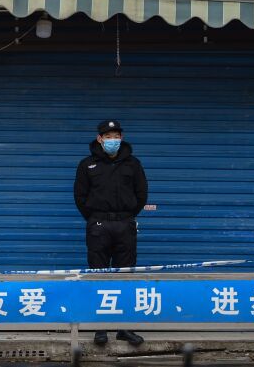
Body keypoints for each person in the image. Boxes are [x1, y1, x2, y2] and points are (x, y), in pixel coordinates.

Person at [74, 120, 148, 347]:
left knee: (125, 277)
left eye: (116, 135)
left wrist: (126, 216)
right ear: (99, 139)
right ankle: (100, 328)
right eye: (108, 136)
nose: (112, 140)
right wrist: (95, 218)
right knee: (99, 275)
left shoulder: (133, 164)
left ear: (121, 138)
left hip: (125, 224)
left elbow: (141, 194)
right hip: (98, 226)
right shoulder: (87, 165)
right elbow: (80, 197)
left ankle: (124, 328)